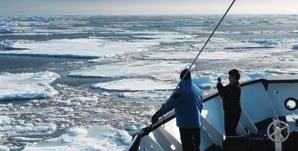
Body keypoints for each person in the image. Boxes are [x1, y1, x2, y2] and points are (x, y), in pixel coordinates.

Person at [151, 69, 203, 151]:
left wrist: (157, 114)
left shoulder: (180, 92)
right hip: (196, 124)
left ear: (181, 78)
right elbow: (200, 106)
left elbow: (169, 105)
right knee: (196, 147)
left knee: (188, 148)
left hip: (186, 126)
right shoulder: (197, 89)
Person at [216, 69, 241, 136]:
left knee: (230, 131)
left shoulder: (235, 87)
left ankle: (236, 144)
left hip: (233, 112)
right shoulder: (232, 85)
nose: (228, 78)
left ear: (234, 77)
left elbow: (223, 92)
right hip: (230, 111)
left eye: (230, 76)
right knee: (230, 130)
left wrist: (219, 83)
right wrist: (219, 84)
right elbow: (223, 91)